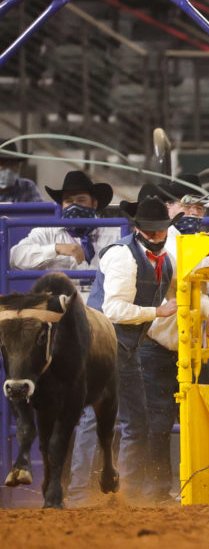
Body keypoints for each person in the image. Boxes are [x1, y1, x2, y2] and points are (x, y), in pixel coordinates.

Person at [68, 194, 182, 505]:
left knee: (133, 421)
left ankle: (122, 494)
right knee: (105, 420)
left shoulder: (163, 261)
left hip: (124, 347)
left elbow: (180, 280)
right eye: (152, 230)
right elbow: (114, 309)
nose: (157, 235)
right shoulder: (122, 256)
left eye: (161, 229)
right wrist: (156, 313)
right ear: (139, 229)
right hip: (103, 344)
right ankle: (83, 494)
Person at [138, 175, 209, 502]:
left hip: (192, 346)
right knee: (157, 421)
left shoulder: (207, 241)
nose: (194, 212)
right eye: (187, 205)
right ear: (171, 207)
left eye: (200, 206)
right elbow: (185, 278)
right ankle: (156, 491)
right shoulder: (160, 241)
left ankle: (195, 488)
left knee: (196, 419)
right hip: (157, 343)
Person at [10, 170, 120, 301]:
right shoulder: (47, 232)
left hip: (102, 308)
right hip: (59, 309)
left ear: (94, 203)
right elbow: (15, 257)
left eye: (81, 200)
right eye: (68, 201)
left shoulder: (114, 233)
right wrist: (56, 248)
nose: (74, 206)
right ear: (62, 205)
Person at [0, 138, 43, 203]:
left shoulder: (26, 187)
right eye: (2, 163)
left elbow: (40, 211)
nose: (8, 169)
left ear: (18, 166)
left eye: (12, 164)